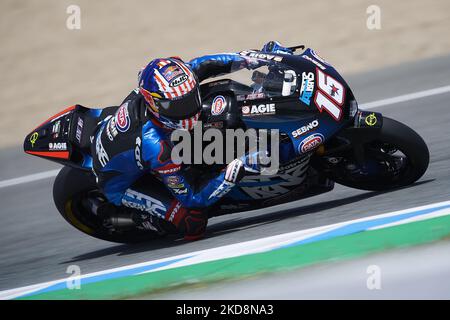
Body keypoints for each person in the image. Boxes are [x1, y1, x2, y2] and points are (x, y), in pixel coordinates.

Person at [91, 41, 293, 240]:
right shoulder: (156, 146)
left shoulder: (179, 82)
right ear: (154, 103)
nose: (188, 109)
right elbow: (193, 198)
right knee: (193, 222)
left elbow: (209, 63)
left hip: (131, 139)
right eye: (178, 106)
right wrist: (237, 167)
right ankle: (142, 219)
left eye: (190, 99)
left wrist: (252, 59)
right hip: (119, 182)